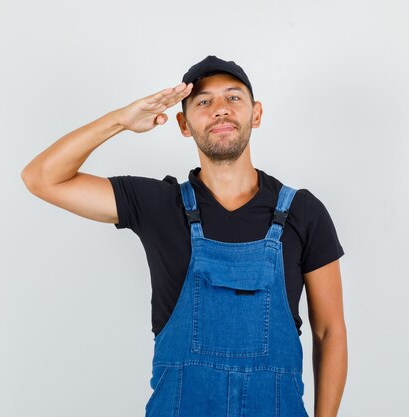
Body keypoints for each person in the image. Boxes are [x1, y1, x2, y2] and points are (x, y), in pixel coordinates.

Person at [21, 56, 347, 417]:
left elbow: (329, 331)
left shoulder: (303, 212)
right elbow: (42, 178)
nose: (220, 110)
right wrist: (120, 121)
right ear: (183, 124)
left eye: (233, 98)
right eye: (204, 102)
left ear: (256, 114)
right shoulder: (159, 205)